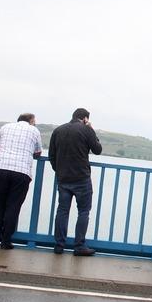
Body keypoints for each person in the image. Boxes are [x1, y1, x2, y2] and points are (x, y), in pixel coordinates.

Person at [49, 108, 102, 256]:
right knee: (83, 212)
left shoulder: (58, 130)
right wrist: (91, 130)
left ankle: (59, 245)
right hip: (81, 178)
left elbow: (51, 155)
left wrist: (58, 171)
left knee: (62, 211)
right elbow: (97, 150)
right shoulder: (86, 130)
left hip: (63, 178)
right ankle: (79, 246)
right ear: (85, 118)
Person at [0, 113, 43, 249]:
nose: (35, 123)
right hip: (22, 172)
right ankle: (6, 241)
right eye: (34, 121)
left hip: (2, 169)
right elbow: (38, 153)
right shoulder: (34, 131)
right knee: (13, 207)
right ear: (30, 121)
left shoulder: (5, 127)